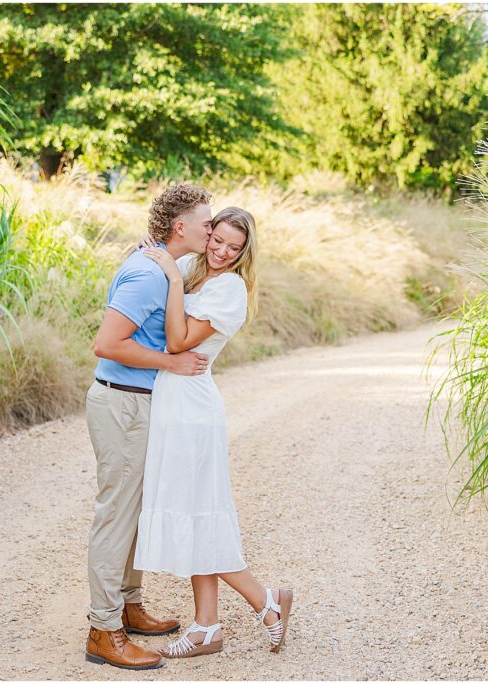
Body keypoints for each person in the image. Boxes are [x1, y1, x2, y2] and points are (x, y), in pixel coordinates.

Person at [134, 207, 294, 658]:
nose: (222, 251)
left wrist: (170, 277)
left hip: (194, 409)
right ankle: (209, 626)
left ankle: (263, 604)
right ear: (208, 235)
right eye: (217, 240)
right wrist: (169, 268)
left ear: (245, 252)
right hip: (170, 399)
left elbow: (179, 340)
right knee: (191, 514)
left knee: (200, 513)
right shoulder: (190, 268)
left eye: (234, 247)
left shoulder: (230, 289)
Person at [84, 184, 214, 671]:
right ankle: (104, 629)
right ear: (181, 227)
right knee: (117, 514)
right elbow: (106, 344)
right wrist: (171, 363)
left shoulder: (165, 266)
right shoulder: (148, 273)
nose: (212, 228)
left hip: (141, 405)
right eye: (206, 221)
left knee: (137, 512)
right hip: (122, 406)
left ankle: (129, 605)